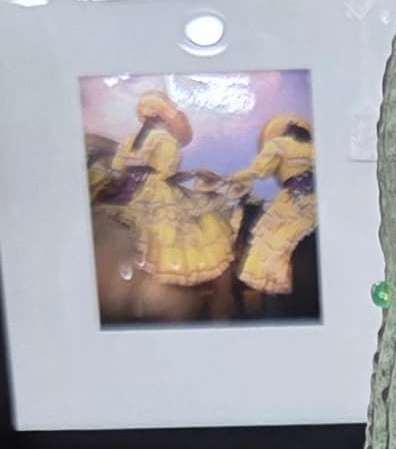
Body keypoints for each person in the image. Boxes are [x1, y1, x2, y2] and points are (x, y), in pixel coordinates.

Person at [95, 89, 235, 298]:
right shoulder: (166, 140)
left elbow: (117, 168)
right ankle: (196, 279)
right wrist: (195, 173)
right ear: (163, 119)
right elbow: (167, 175)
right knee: (205, 220)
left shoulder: (129, 140)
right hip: (155, 191)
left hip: (126, 191)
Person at [224, 114, 317, 312]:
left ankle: (276, 300)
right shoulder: (313, 149)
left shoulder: (278, 145)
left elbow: (259, 171)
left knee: (272, 245)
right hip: (316, 201)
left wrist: (231, 178)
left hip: (293, 200)